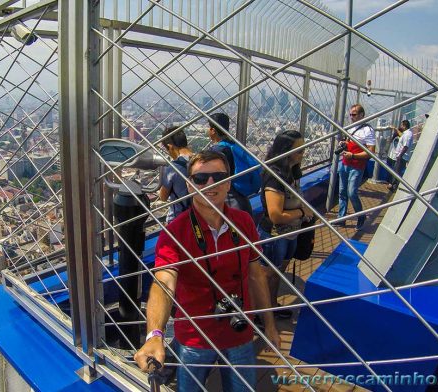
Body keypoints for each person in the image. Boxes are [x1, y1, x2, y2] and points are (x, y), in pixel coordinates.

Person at [134, 151, 280, 392]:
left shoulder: (243, 222)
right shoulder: (175, 232)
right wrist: (155, 335)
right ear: (190, 185)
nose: (210, 184)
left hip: (239, 330)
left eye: (218, 177)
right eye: (201, 178)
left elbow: (256, 275)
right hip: (195, 336)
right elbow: (164, 282)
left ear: (229, 183)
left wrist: (270, 324)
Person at [259, 130, 314, 319]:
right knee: (269, 274)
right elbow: (275, 215)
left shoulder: (291, 171)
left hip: (289, 233)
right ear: (285, 151)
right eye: (299, 150)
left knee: (277, 272)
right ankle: (262, 313)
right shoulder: (276, 176)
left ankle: (271, 306)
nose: (303, 153)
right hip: (275, 235)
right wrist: (301, 212)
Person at [206, 113, 256, 217]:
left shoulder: (217, 151)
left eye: (209, 127)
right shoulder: (234, 146)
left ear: (213, 130)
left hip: (228, 202)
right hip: (242, 199)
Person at [336, 104, 376, 230]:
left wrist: (353, 155)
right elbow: (350, 143)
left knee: (351, 192)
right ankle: (341, 218)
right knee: (342, 192)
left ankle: (361, 216)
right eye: (350, 114)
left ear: (361, 115)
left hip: (356, 166)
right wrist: (344, 143)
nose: (351, 117)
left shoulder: (368, 130)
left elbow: (370, 152)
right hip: (345, 163)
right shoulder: (350, 127)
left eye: (354, 114)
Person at [159, 126, 193, 223]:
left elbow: (163, 197)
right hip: (198, 217)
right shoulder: (201, 160)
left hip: (178, 219)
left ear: (170, 147)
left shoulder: (172, 168)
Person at [386, 120, 413, 191]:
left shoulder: (408, 134)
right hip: (400, 156)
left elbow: (406, 146)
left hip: (402, 157)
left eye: (401, 125)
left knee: (397, 172)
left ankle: (393, 187)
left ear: (404, 126)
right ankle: (393, 186)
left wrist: (400, 156)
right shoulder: (405, 133)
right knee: (396, 171)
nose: (400, 126)